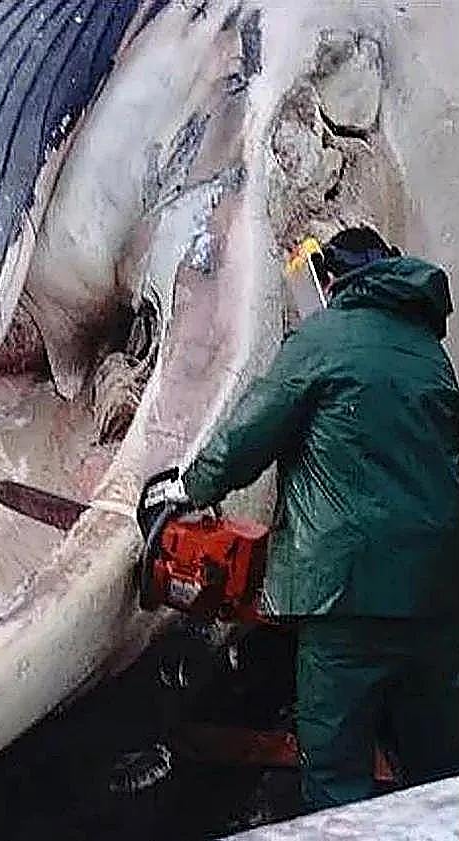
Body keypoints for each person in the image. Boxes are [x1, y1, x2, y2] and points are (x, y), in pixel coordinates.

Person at [144, 226, 459, 811]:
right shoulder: (429, 353)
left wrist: (185, 487)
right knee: (439, 777)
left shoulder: (323, 339)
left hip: (343, 595)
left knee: (337, 777)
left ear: (332, 279)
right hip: (436, 595)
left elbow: (249, 436)